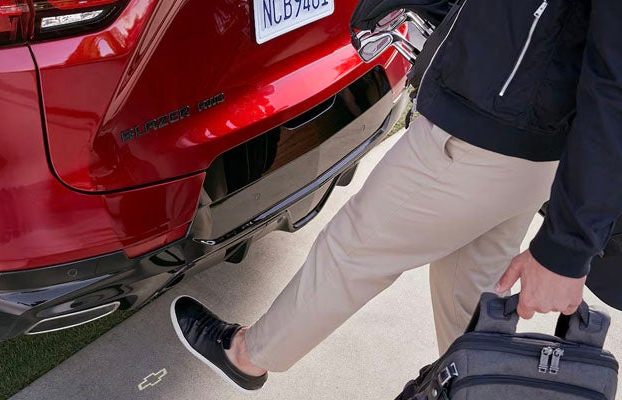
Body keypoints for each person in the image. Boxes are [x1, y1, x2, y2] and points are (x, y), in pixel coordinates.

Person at [170, 0, 622, 392]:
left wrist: (567, 248)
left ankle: (246, 354)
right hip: (521, 139)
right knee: (470, 296)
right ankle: (486, 391)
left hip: (481, 136)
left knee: (353, 249)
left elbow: (614, 83)